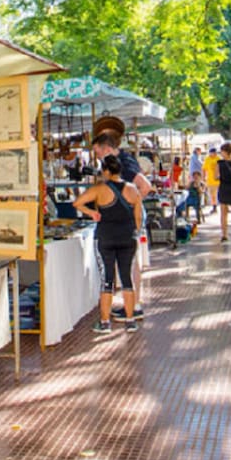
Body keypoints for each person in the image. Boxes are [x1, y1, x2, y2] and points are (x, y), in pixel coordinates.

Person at [73, 155, 144, 334]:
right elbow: (138, 217)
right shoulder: (133, 189)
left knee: (107, 280)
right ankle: (130, 320)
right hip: (128, 238)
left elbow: (77, 203)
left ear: (105, 171)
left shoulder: (99, 189)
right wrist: (134, 231)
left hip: (105, 238)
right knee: (127, 278)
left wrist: (92, 213)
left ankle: (105, 322)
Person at [92, 127, 153, 321]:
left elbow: (145, 186)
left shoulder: (124, 163)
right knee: (130, 262)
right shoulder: (122, 162)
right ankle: (132, 304)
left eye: (99, 153)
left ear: (107, 149)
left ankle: (133, 307)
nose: (98, 157)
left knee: (131, 262)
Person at [203, 147, 220, 213]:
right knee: (212, 195)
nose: (214, 154)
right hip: (210, 180)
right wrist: (204, 178)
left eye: (215, 153)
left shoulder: (218, 159)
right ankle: (214, 207)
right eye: (213, 153)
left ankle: (225, 206)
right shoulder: (207, 159)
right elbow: (204, 169)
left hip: (218, 180)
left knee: (220, 195)